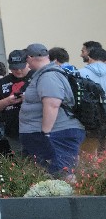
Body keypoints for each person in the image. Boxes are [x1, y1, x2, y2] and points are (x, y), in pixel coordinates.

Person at [19, 43, 85, 173]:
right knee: (52, 173)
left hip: (57, 133)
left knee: (61, 173)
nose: (26, 63)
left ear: (30, 58)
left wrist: (45, 134)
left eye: (26, 59)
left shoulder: (49, 76)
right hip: (53, 133)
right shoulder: (44, 74)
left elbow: (52, 104)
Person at [0, 48, 31, 155]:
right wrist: (7, 101)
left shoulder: (36, 76)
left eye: (21, 67)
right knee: (21, 161)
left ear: (28, 63)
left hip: (35, 129)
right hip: (13, 131)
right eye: (14, 68)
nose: (18, 71)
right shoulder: (3, 82)